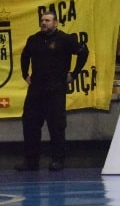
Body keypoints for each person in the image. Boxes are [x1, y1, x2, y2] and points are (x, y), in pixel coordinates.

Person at [16, 11, 89, 172]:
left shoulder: (65, 39)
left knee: (56, 126)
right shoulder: (34, 39)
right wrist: (24, 74)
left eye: (48, 20)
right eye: (42, 20)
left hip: (55, 88)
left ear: (55, 23)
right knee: (30, 124)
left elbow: (83, 52)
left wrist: (74, 73)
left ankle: (58, 160)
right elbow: (24, 56)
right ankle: (31, 161)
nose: (44, 23)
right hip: (36, 89)